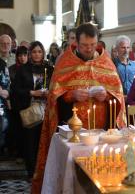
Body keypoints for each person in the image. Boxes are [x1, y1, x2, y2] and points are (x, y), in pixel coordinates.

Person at [31, 23, 126, 193]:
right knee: (75, 177)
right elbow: (54, 95)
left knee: (100, 174)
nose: (89, 49)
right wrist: (71, 95)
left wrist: (107, 96)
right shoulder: (65, 62)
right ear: (76, 42)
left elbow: (117, 94)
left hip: (101, 132)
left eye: (92, 45)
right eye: (84, 45)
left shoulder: (106, 62)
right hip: (74, 133)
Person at [13, 41, 53, 179]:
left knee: (44, 141)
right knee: (30, 142)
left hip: (46, 110)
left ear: (43, 53)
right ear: (30, 54)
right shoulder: (23, 69)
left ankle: (44, 170)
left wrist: (49, 92)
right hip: (30, 109)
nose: (37, 54)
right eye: (34, 52)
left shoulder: (49, 68)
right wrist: (32, 93)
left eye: (39, 51)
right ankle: (31, 172)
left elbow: (55, 86)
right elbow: (16, 90)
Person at [0, 58, 10, 154]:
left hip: (1, 106)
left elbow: (6, 90)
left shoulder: (2, 64)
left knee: (2, 130)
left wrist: (3, 91)